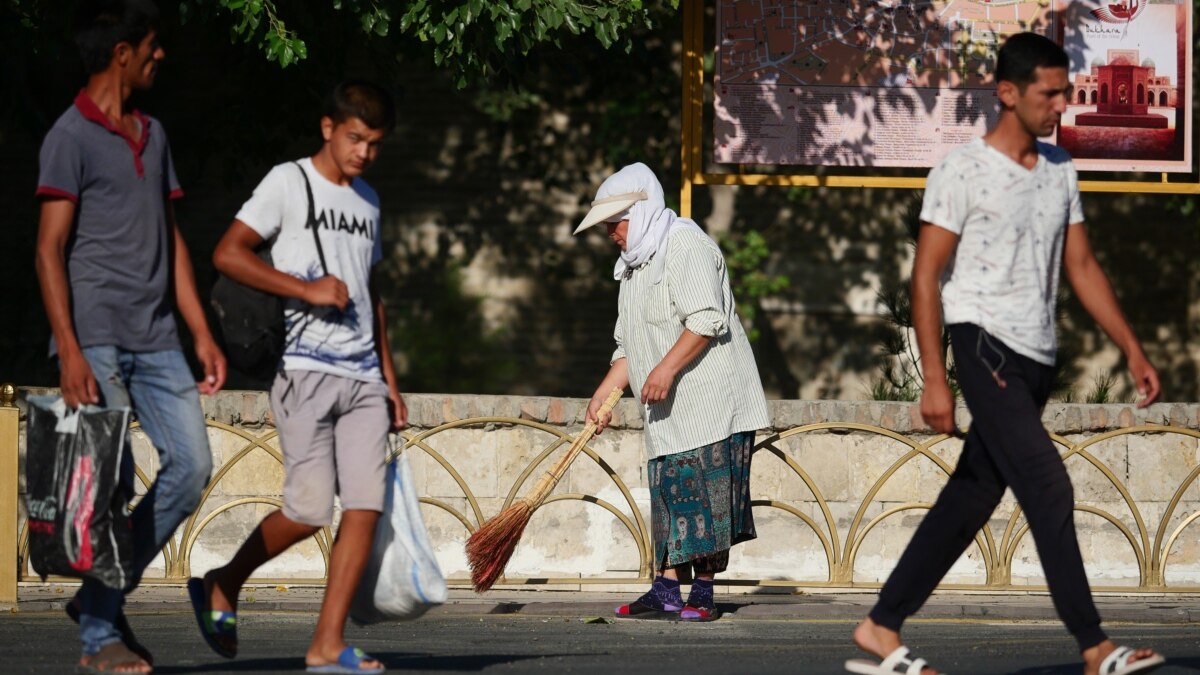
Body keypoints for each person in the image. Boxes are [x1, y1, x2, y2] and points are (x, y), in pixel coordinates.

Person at [846, 33, 1165, 675]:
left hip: (1036, 357)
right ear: (1009, 93)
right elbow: (926, 274)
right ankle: (1096, 647)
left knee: (973, 492)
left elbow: (1079, 263)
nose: (1062, 104)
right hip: (984, 345)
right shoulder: (961, 171)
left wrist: (1131, 348)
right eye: (1050, 93)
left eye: (1066, 91)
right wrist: (934, 378)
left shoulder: (1060, 169)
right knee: (1048, 485)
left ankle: (881, 626)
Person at [34, 1, 226, 672]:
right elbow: (48, 249)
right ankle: (99, 636)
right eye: (152, 46)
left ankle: (97, 599)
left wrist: (201, 332)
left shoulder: (154, 132)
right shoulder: (69, 135)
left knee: (193, 466)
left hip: (158, 338)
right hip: (97, 339)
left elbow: (171, 240)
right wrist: (71, 350)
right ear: (123, 52)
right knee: (110, 485)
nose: (160, 55)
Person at [196, 80, 406, 675]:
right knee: (310, 509)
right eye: (355, 138)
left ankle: (327, 643)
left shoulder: (368, 200)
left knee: (364, 505)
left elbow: (373, 293)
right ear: (328, 128)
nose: (364, 153)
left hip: (363, 375)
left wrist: (390, 377)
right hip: (304, 368)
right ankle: (223, 580)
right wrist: (305, 289)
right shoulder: (288, 182)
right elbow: (229, 252)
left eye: (375, 143)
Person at [576, 162, 771, 622]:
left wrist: (665, 369)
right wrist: (605, 393)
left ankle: (702, 591)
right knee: (671, 493)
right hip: (668, 407)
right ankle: (665, 588)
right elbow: (628, 342)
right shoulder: (632, 266)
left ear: (639, 213)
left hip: (712, 400)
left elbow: (705, 319)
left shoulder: (686, 244)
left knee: (708, 493)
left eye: (614, 223)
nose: (610, 234)